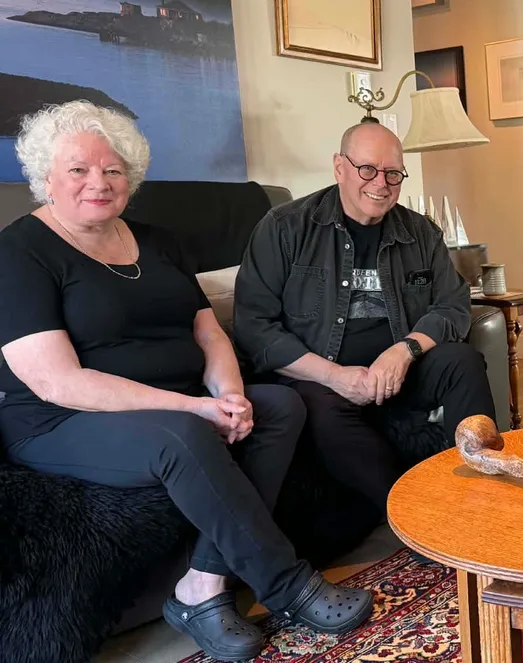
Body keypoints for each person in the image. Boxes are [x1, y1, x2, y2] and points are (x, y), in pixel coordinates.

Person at [0, 101, 373, 662]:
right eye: (78, 169)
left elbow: (209, 335)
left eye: (113, 170)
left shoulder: (157, 239)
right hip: (63, 421)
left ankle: (201, 586)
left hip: (176, 406)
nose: (98, 182)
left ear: (131, 176)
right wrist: (192, 409)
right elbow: (58, 382)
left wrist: (230, 396)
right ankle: (287, 584)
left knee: (278, 407)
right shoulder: (18, 252)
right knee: (184, 436)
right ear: (45, 177)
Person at [233, 121, 496, 514]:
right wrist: (334, 376)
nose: (381, 183)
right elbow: (254, 327)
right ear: (340, 167)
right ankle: (413, 514)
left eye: (393, 173)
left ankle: (484, 494)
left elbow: (454, 305)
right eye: (368, 169)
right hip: (319, 375)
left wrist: (404, 351)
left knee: (463, 362)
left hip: (399, 373)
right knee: (317, 409)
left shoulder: (420, 232)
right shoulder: (285, 229)